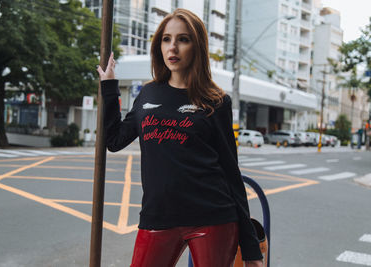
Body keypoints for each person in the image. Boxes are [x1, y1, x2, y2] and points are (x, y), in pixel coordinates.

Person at [97, 8, 263, 267]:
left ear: (197, 46)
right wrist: (109, 88)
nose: (172, 47)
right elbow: (115, 141)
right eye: (166, 39)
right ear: (158, 45)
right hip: (158, 216)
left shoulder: (216, 101)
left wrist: (251, 248)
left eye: (183, 39)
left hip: (213, 217)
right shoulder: (148, 95)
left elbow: (231, 172)